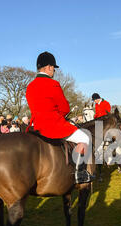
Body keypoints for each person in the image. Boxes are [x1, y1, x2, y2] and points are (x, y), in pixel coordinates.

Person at [26, 51, 94, 184]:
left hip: (35, 126)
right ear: (49, 67)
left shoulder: (30, 86)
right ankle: (79, 174)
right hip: (53, 126)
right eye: (53, 68)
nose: (54, 71)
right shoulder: (53, 84)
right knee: (85, 137)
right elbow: (64, 109)